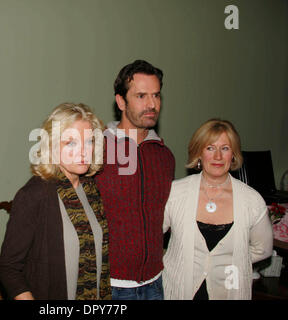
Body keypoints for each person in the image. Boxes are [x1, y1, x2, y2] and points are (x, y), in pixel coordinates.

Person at [0, 103, 111, 300]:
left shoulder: (91, 189)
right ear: (52, 145)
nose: (83, 151)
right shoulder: (34, 195)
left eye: (89, 142)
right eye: (71, 143)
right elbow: (9, 268)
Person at [163, 118, 273, 300]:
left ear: (234, 155)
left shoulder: (251, 200)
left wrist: (232, 261)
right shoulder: (175, 193)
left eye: (225, 148)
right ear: (199, 153)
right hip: (178, 290)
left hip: (230, 291)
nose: (218, 157)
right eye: (210, 148)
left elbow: (263, 249)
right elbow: (151, 237)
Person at [95, 60, 175, 300]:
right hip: (109, 285)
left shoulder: (164, 156)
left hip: (155, 282)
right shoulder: (97, 150)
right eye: (141, 96)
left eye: (156, 95)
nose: (152, 104)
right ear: (121, 101)